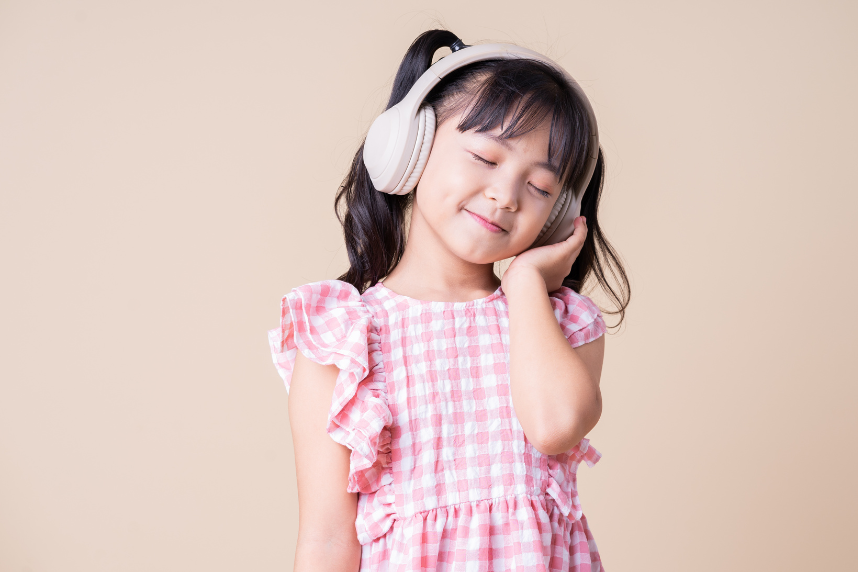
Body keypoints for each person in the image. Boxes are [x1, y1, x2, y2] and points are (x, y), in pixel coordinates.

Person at [269, 29, 630, 572]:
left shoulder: (560, 324)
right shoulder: (341, 338)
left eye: (539, 188)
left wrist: (527, 283)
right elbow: (325, 541)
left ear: (557, 216)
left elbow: (556, 425)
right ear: (410, 148)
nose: (505, 195)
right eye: (486, 157)